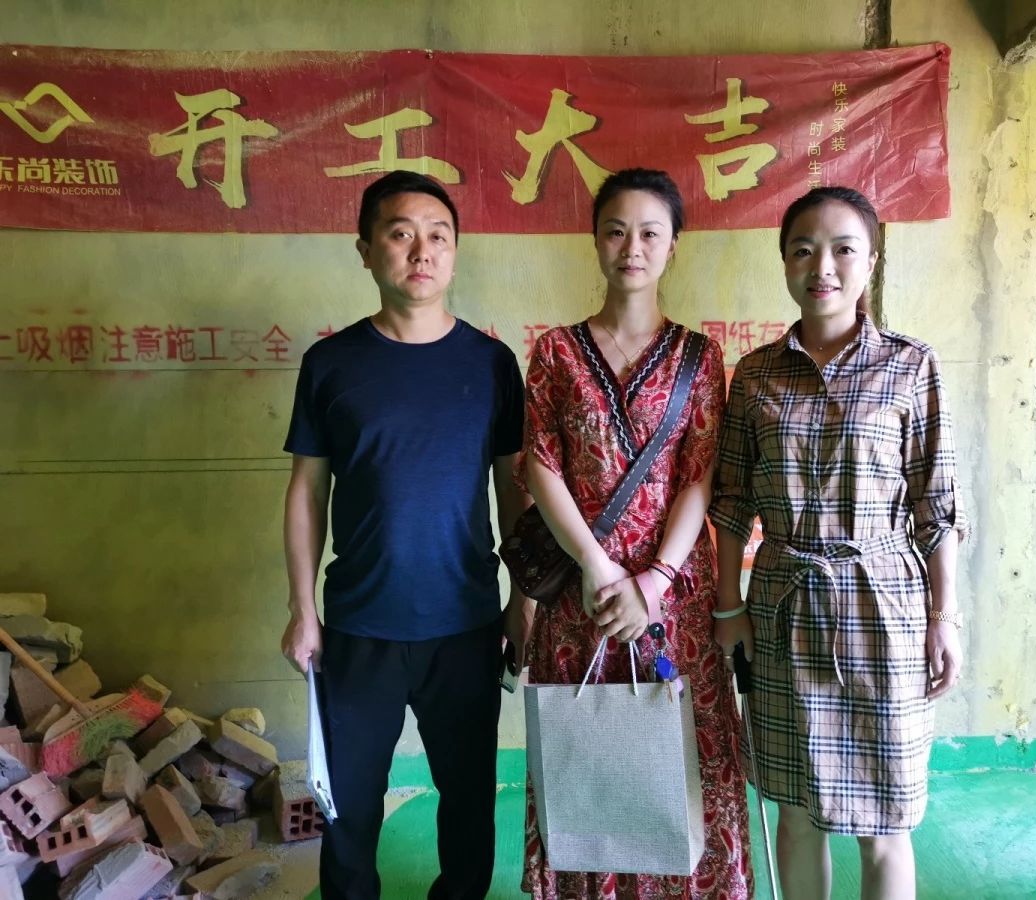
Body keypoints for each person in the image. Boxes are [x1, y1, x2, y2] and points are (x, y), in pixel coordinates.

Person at [710, 186, 969, 900]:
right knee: (796, 814)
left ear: (871, 261)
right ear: (784, 262)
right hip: (784, 610)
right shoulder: (755, 375)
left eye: (843, 249)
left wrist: (944, 618)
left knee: (887, 821)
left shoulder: (911, 366)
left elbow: (938, 505)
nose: (821, 266)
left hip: (885, 612)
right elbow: (730, 503)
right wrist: (728, 605)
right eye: (803, 250)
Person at [280, 170, 527, 900]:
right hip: (360, 625)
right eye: (401, 233)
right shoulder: (331, 365)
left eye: (438, 236)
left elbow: (513, 491)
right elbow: (307, 491)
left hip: (467, 623)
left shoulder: (492, 364)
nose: (423, 250)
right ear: (365, 250)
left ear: (455, 252)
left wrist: (524, 600)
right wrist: (302, 609)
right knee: (349, 809)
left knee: (469, 799)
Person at [515, 168, 754, 899]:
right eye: (616, 231)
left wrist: (653, 580)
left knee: (684, 758)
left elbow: (700, 477)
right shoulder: (556, 353)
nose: (633, 247)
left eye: (650, 233)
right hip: (580, 602)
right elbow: (540, 465)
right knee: (588, 758)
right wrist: (596, 566)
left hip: (671, 605)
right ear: (596, 241)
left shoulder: (699, 357)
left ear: (673, 245)